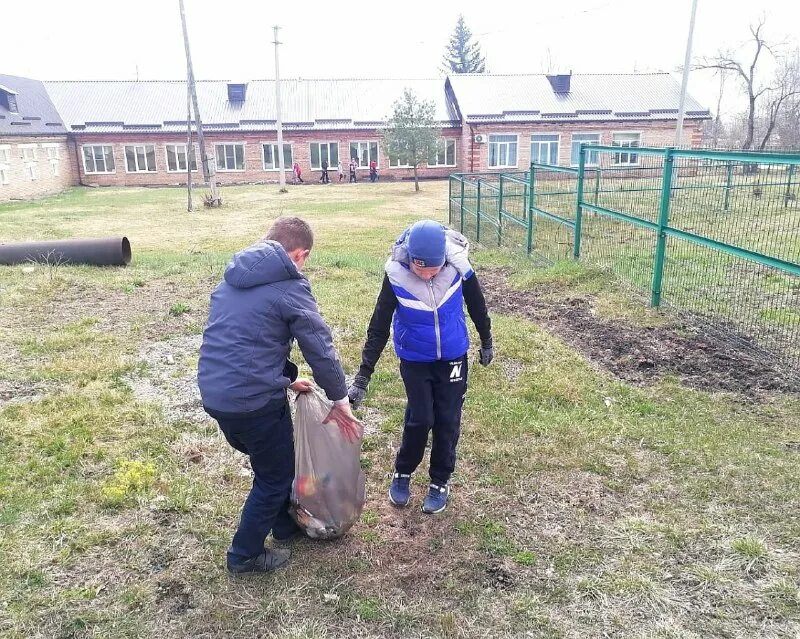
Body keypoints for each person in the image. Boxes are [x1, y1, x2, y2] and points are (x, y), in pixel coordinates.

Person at [198, 216, 360, 575]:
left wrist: (289, 379)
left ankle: (285, 526)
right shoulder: (289, 286)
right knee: (274, 477)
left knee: (274, 462)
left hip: (216, 396)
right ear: (300, 254)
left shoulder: (233, 278)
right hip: (253, 403)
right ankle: (245, 554)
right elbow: (319, 347)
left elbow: (247, 343)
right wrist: (340, 400)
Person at [348, 220, 493, 514]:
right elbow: (378, 326)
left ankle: (440, 479)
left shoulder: (459, 269)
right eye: (421, 268)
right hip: (414, 358)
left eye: (434, 269)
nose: (427, 274)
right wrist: (363, 376)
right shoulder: (396, 276)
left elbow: (478, 304)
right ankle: (403, 471)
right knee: (421, 417)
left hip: (453, 357)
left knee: (447, 418)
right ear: (411, 259)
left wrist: (486, 339)